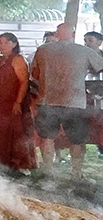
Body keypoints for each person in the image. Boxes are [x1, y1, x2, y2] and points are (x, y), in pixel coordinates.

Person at [31, 23, 103, 179]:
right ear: (73, 33)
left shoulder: (43, 50)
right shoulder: (84, 51)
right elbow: (99, 67)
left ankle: (49, 171)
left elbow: (35, 74)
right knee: (77, 139)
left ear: (57, 34)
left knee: (48, 138)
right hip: (74, 102)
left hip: (47, 100)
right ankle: (76, 174)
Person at [0, 33, 36, 176]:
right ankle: (0, 161)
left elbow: (24, 82)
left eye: (6, 42)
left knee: (15, 133)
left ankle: (19, 164)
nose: (2, 45)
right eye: (0, 42)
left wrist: (18, 102)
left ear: (14, 44)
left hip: (12, 102)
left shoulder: (18, 60)